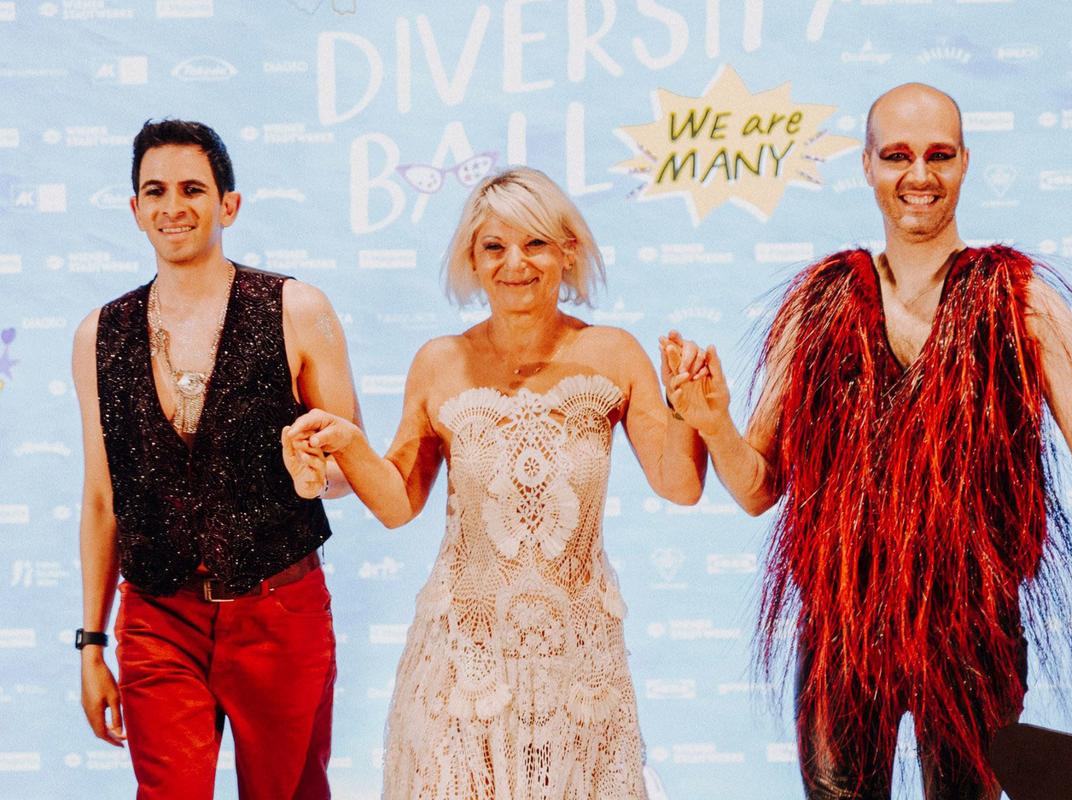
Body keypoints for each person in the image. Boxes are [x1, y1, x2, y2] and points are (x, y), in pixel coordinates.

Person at [661, 83, 1072, 799]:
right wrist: (712, 421)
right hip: (840, 628)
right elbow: (757, 490)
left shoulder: (1022, 300)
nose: (920, 176)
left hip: (973, 626)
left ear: (965, 163)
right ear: (865, 165)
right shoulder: (819, 302)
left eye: (939, 155)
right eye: (898, 156)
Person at [282, 166, 708, 800]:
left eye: (535, 243)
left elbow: (680, 485)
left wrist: (693, 414)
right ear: (472, 261)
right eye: (495, 247)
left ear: (567, 251)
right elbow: (399, 503)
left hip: (578, 670)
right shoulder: (439, 361)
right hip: (461, 665)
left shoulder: (614, 354)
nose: (516, 263)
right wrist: (345, 444)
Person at [72, 119, 360, 800]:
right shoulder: (97, 335)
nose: (174, 206)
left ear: (228, 204)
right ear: (135, 209)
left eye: (193, 189)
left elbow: (353, 466)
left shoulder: (297, 308)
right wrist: (91, 643)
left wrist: (316, 472)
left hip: (278, 608)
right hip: (156, 617)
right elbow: (101, 501)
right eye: (156, 190)